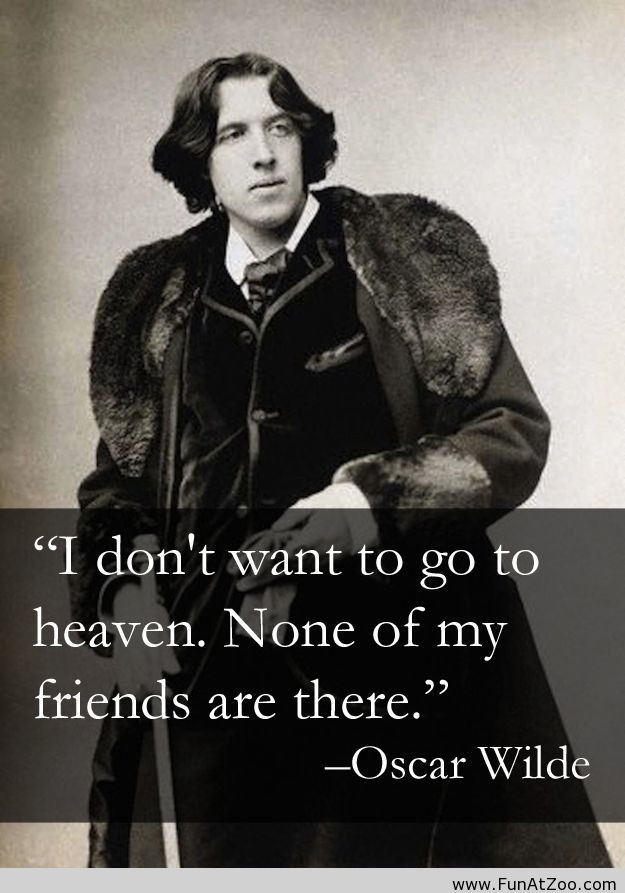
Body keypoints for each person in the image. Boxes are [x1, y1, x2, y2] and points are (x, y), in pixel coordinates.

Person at [70, 52, 606, 868]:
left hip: (392, 673)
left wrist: (367, 503)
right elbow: (118, 484)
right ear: (200, 162)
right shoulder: (157, 296)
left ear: (307, 141)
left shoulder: (400, 256)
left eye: (280, 127)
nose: (262, 154)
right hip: (208, 687)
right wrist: (125, 591)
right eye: (233, 134)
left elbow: (509, 432)